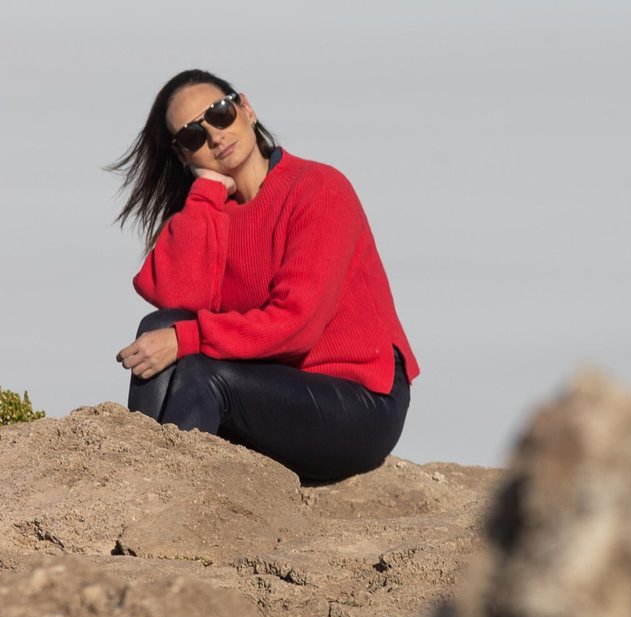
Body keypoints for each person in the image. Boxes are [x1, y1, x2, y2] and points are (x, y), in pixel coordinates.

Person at [108, 69, 420, 482]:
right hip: (268, 395)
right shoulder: (213, 213)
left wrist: (187, 339)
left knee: (200, 367)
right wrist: (205, 196)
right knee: (161, 325)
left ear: (246, 109)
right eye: (192, 136)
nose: (215, 136)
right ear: (183, 155)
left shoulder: (318, 188)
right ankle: (142, 487)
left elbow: (297, 325)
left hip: (359, 402)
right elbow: (178, 298)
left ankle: (161, 496)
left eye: (220, 114)